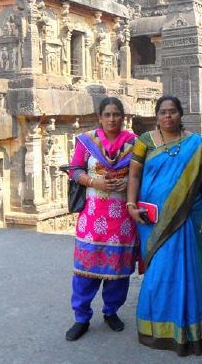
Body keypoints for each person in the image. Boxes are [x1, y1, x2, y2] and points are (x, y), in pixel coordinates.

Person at [126, 95, 202, 356]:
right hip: (152, 219)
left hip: (189, 216)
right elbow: (134, 175)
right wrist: (131, 205)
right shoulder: (144, 142)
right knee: (157, 272)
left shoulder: (196, 144)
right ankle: (155, 328)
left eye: (172, 112)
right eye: (163, 112)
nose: (167, 116)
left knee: (187, 271)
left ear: (181, 114)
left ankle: (188, 330)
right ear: (157, 116)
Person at [65, 97, 138, 341]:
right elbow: (74, 170)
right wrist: (94, 181)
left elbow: (143, 174)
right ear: (100, 117)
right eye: (107, 114)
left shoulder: (134, 143)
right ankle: (81, 317)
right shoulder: (86, 142)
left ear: (123, 116)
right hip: (93, 214)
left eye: (116, 114)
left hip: (122, 218)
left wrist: (127, 182)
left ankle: (111, 311)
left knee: (118, 269)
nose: (112, 119)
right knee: (85, 270)